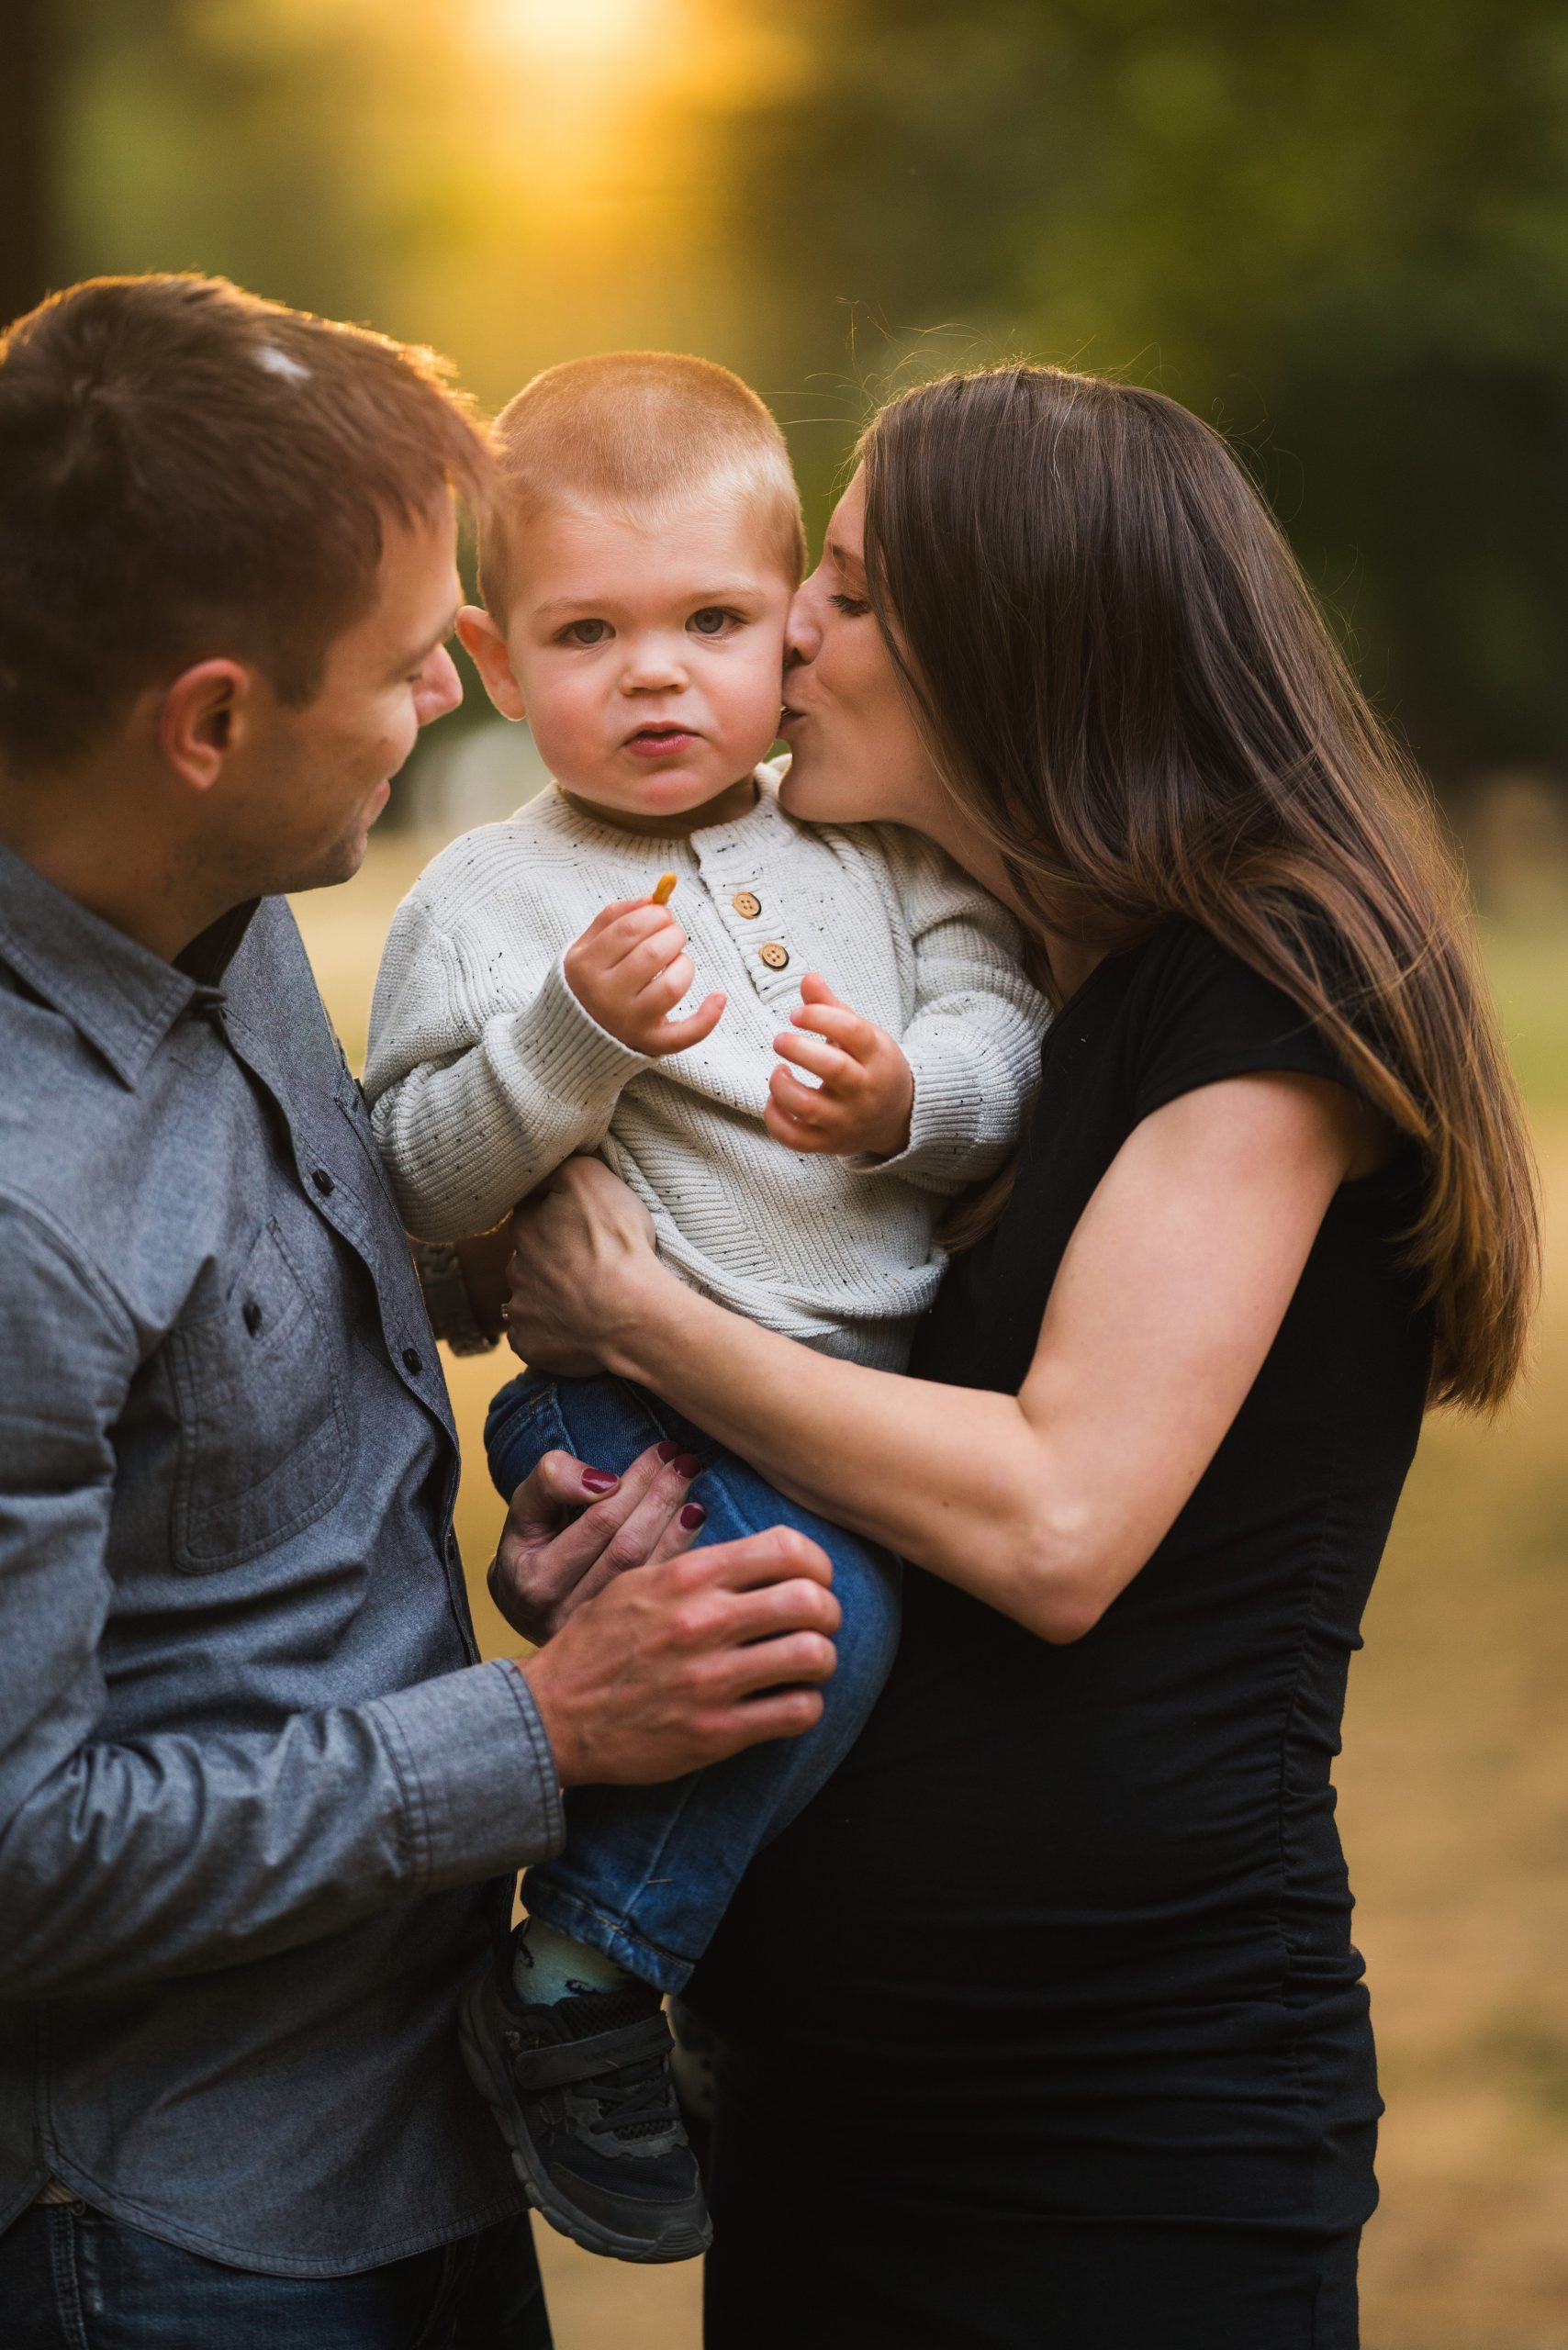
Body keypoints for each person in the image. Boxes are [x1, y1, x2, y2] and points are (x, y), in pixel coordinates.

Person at [496, 364, 1540, 2348]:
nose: (790, 622)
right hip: (834, 2126)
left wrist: (643, 1317)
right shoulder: (988, 1002)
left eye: (859, 590)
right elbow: (876, 1435)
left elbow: (1061, 1512)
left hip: (1116, 2135)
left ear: (1022, 632)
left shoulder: (1272, 980)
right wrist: (641, 1523)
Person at [0, 274, 842, 2350]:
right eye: (400, 671)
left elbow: (273, 1408)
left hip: (414, 2126)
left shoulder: (228, 904)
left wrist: (538, 1538)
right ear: (208, 720)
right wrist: (540, 1731)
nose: (449, 704)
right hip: (184, 2226)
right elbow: (20, 1857)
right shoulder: (19, 1196)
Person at [364, 351, 1048, 2262]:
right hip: (629, 1409)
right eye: (588, 631)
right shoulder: (489, 903)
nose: (654, 673)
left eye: (710, 621)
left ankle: (675, 1979)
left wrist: (917, 1097)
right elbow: (413, 1194)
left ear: (789, 637)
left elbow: (1000, 1015)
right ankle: (577, 1979)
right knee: (805, 1623)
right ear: (496, 666)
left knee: (826, 1645)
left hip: (842, 1384)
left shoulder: (873, 849)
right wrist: (567, 1042)